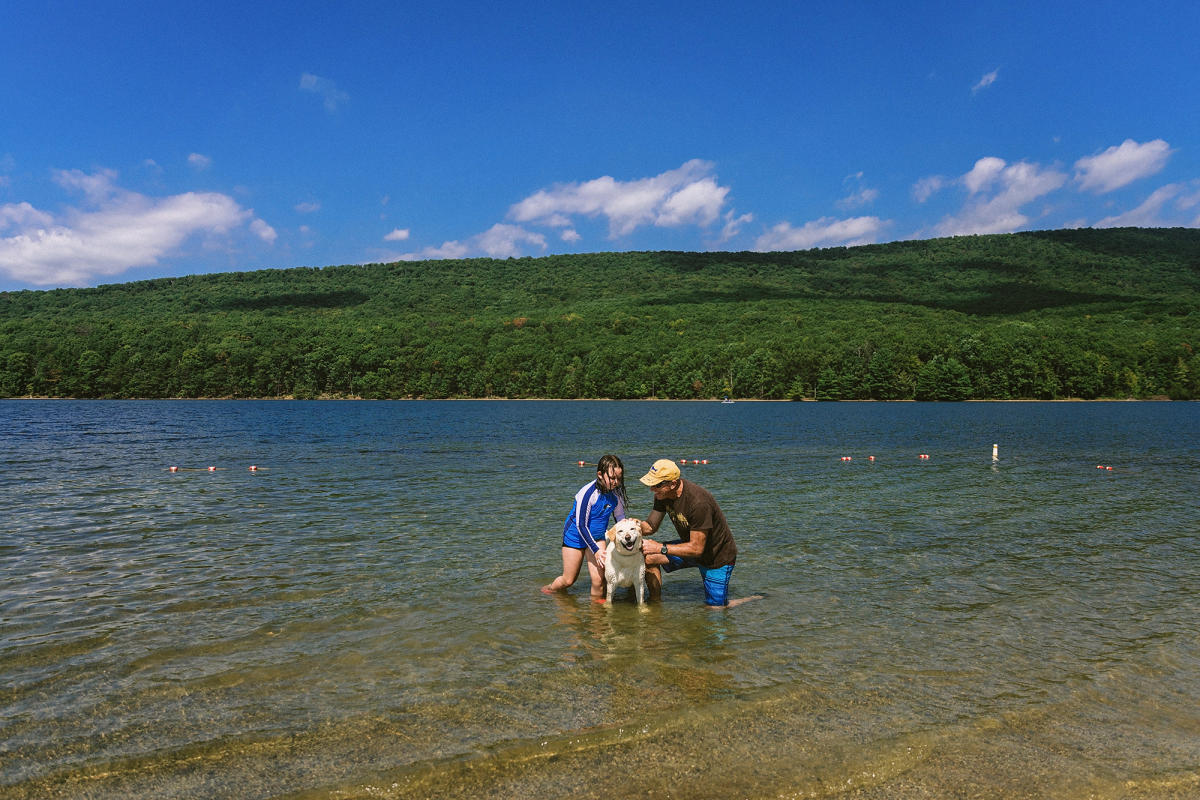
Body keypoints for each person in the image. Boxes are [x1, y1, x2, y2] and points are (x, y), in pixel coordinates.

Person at [637, 458, 755, 608]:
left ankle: (751, 599)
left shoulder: (698, 503)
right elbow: (651, 526)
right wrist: (633, 526)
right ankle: (655, 604)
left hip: (716, 556)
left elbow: (697, 548)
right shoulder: (663, 495)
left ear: (673, 484)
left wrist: (660, 547)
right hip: (691, 547)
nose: (652, 489)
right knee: (648, 557)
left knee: (715, 609)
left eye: (657, 485)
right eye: (651, 484)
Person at [541, 454, 628, 601]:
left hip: (597, 537)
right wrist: (596, 551)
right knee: (569, 580)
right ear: (600, 475)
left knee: (599, 580)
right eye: (612, 478)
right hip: (575, 537)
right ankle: (549, 589)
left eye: (619, 478)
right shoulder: (588, 493)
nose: (616, 482)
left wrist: (626, 527)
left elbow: (619, 516)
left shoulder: (616, 492)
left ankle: (596, 611)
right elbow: (581, 525)